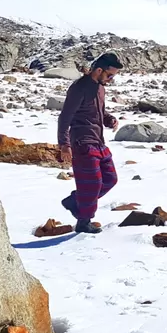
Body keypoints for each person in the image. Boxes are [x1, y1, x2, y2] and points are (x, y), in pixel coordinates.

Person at [56, 53, 123, 234]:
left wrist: (109, 119)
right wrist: (64, 145)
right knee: (92, 184)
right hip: (82, 142)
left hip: (98, 140)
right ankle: (84, 222)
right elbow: (65, 117)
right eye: (110, 75)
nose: (111, 79)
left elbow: (98, 111)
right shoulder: (79, 88)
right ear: (99, 70)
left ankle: (75, 202)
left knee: (110, 179)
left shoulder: (100, 88)